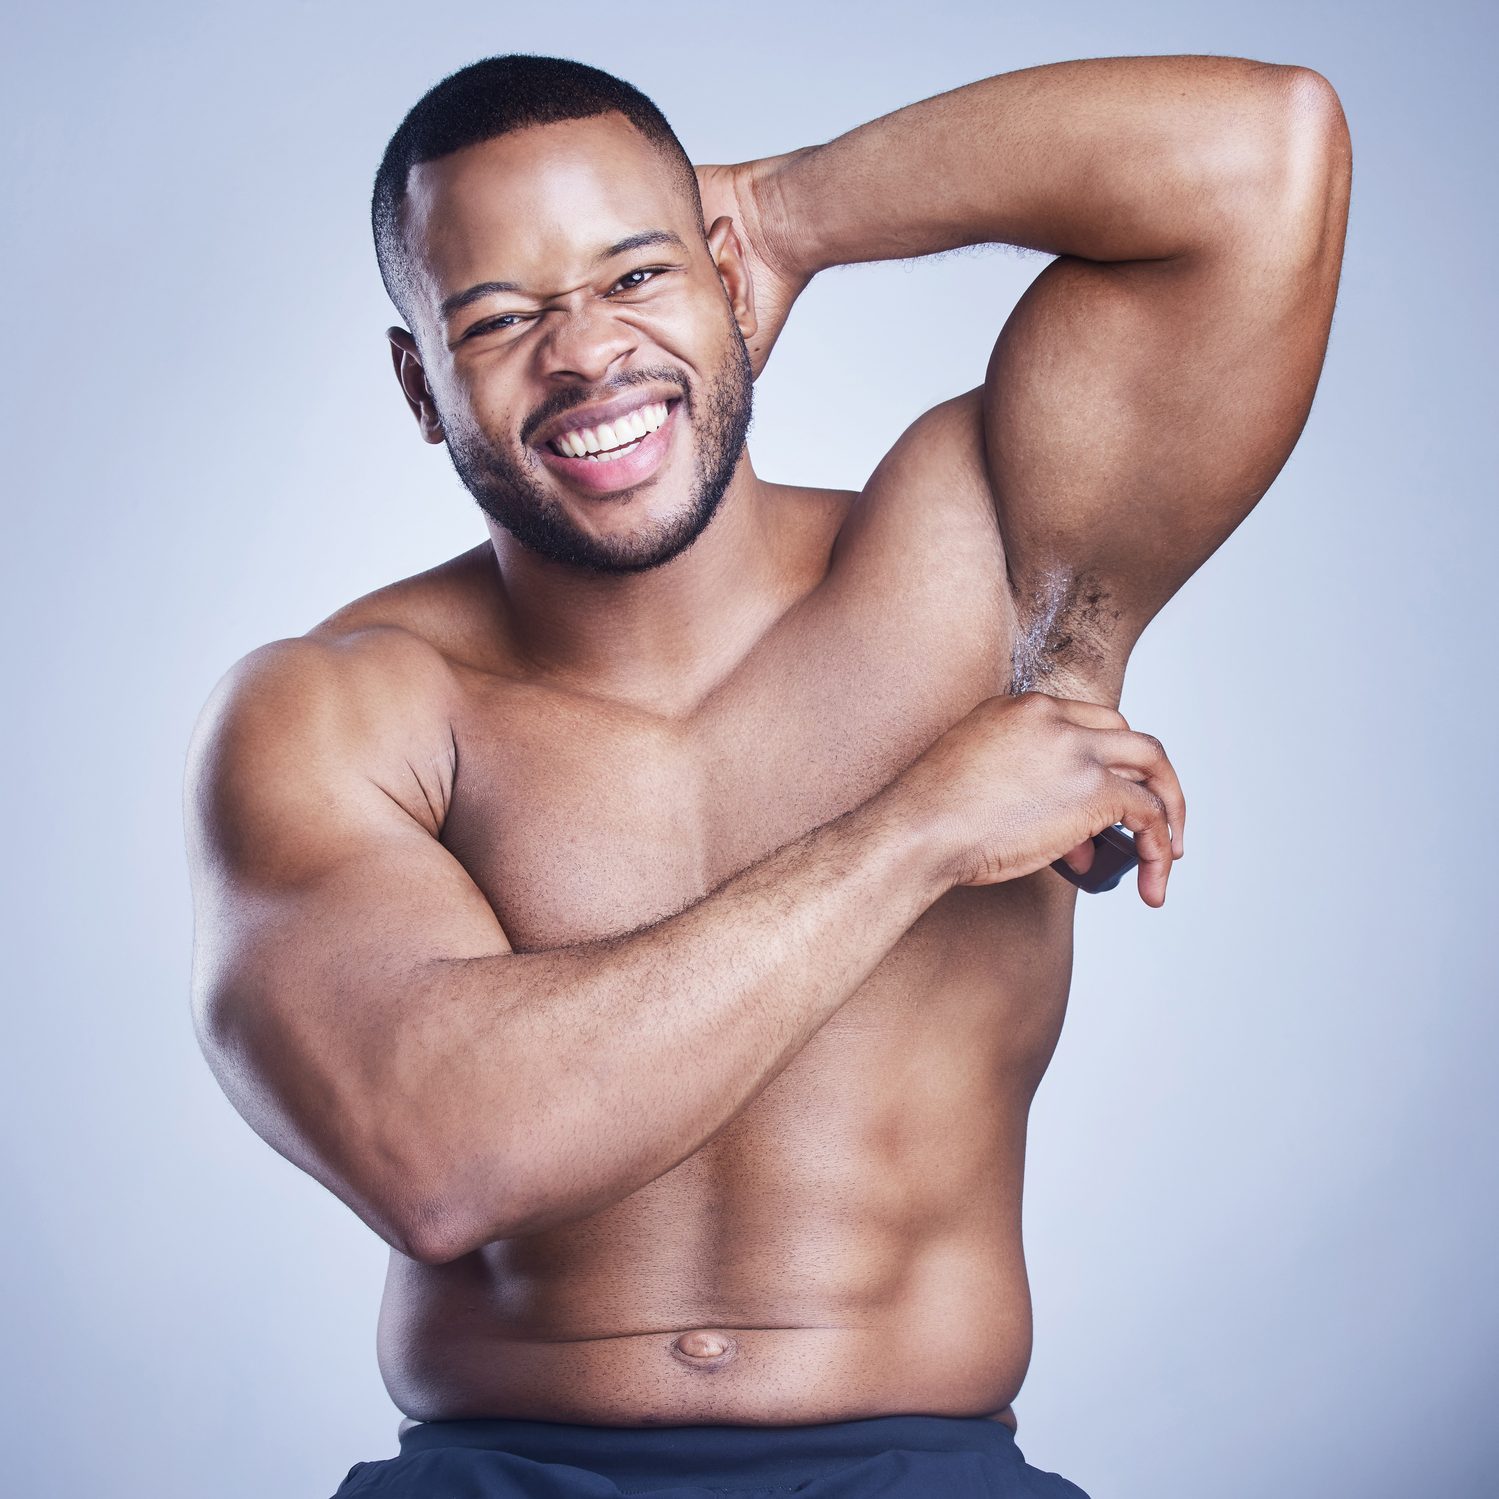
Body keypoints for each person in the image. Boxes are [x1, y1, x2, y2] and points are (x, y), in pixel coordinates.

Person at [182, 51, 1350, 1498]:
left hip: (920, 1469)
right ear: (421, 385)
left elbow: (1262, 157)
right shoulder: (339, 707)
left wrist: (792, 211)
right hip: (497, 1474)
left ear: (727, 283)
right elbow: (438, 1156)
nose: (588, 354)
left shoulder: (987, 564)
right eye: (500, 319)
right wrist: (920, 825)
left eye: (635, 277)